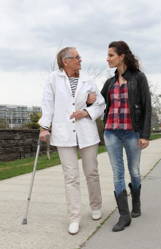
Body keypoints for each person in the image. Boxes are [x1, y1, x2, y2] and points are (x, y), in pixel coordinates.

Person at [38, 47, 105, 235]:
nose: (80, 60)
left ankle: (96, 206)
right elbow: (47, 103)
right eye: (76, 58)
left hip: (86, 132)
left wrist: (87, 111)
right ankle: (74, 217)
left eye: (79, 57)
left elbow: (101, 103)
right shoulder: (53, 79)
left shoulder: (88, 80)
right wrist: (44, 126)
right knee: (71, 177)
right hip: (63, 133)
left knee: (91, 172)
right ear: (65, 61)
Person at [101, 41, 152, 232]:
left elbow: (147, 107)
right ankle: (124, 215)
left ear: (121, 56)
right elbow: (100, 104)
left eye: (111, 55)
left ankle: (136, 204)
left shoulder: (138, 78)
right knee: (117, 172)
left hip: (132, 132)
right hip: (111, 132)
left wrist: (145, 135)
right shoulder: (109, 83)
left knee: (135, 171)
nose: (107, 59)